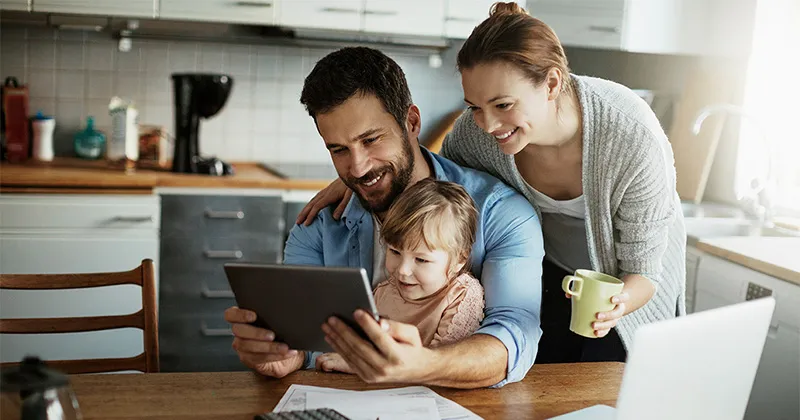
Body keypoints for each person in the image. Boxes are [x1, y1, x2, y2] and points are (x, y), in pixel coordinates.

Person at [297, 2, 686, 364]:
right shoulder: (475, 134)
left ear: (551, 84)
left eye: (503, 105)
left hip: (624, 285)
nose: (489, 124)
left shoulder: (630, 136)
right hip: (550, 272)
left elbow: (644, 272)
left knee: (613, 377)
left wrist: (616, 304)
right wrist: (358, 180)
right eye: (474, 107)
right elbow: (436, 183)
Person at [224, 46, 545, 388]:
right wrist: (286, 353)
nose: (358, 167)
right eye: (339, 149)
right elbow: (306, 340)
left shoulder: (501, 213)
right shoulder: (318, 226)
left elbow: (514, 336)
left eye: (371, 139)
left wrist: (426, 364)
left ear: (411, 122)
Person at [317, 178, 485, 373]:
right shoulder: (383, 293)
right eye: (395, 252)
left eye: (421, 260)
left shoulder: (462, 296)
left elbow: (440, 366)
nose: (402, 270)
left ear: (460, 259)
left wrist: (358, 365)